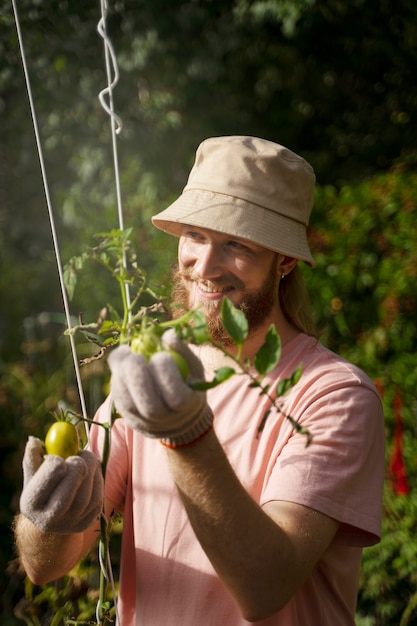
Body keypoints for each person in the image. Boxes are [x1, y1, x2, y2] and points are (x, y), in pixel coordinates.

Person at [15, 136, 385, 626]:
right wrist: (44, 521)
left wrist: (186, 433)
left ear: (286, 260)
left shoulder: (333, 396)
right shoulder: (153, 377)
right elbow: (48, 567)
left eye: (236, 243)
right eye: (196, 235)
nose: (205, 267)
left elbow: (265, 588)